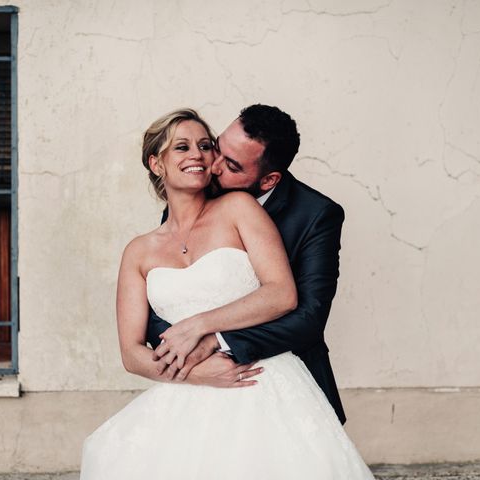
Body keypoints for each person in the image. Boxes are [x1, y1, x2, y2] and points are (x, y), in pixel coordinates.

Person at [80, 108, 374, 479]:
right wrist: (194, 372)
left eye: (206, 147)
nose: (208, 160)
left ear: (268, 180)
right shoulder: (142, 248)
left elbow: (296, 306)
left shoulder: (257, 209)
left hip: (264, 378)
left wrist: (204, 332)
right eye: (191, 147)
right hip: (190, 386)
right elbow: (137, 344)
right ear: (157, 164)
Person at [147, 104, 347, 424]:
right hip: (198, 382)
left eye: (232, 165)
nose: (211, 167)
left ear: (268, 180)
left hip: (286, 384)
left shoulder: (316, 216)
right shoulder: (200, 191)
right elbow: (170, 289)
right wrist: (185, 355)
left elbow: (308, 318)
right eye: (217, 148)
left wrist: (215, 340)